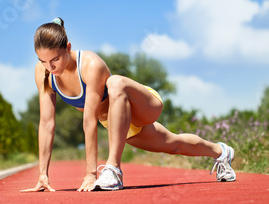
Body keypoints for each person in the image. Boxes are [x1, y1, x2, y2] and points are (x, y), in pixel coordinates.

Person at [21, 17, 236, 193]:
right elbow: (47, 123)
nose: (50, 67)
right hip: (118, 121)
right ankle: (221, 152)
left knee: (115, 82)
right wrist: (42, 174)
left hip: (143, 106)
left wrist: (90, 174)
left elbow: (89, 121)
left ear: (68, 48)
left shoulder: (90, 65)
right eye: (42, 61)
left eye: (55, 60)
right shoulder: (44, 74)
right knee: (174, 144)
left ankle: (113, 169)